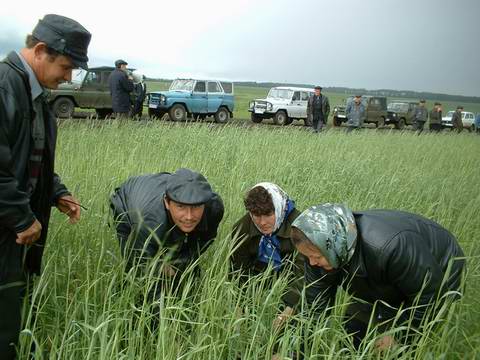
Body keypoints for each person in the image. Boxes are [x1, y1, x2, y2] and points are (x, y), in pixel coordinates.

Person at [0, 14, 90, 359]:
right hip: (7, 229)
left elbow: (30, 159)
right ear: (40, 50)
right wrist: (21, 218)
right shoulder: (5, 87)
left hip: (13, 231)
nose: (68, 78)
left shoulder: (34, 94)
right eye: (66, 67)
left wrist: (56, 193)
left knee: (14, 315)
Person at [290, 204, 465, 351]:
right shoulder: (315, 251)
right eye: (309, 257)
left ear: (334, 244)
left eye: (317, 257)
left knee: (402, 349)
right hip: (379, 277)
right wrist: (293, 352)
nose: (312, 263)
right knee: (351, 334)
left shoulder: (392, 247)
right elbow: (314, 304)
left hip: (437, 270)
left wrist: (400, 336)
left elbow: (431, 296)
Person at [110, 169, 224, 294]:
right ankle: (122, 295)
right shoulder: (148, 221)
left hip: (156, 192)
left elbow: (203, 241)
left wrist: (183, 263)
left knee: (181, 266)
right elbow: (143, 269)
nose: (189, 216)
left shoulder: (214, 208)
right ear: (167, 202)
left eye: (196, 206)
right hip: (127, 203)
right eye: (181, 206)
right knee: (137, 269)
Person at [231, 183, 303, 327]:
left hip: (292, 283)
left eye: (269, 214)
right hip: (259, 286)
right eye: (256, 215)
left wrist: (287, 312)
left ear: (279, 208)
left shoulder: (301, 228)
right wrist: (240, 311)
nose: (262, 222)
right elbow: (238, 273)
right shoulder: (241, 228)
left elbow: (304, 274)